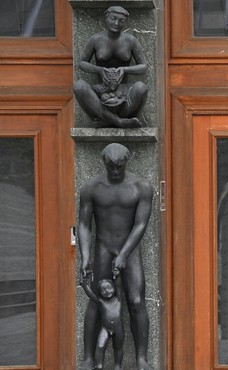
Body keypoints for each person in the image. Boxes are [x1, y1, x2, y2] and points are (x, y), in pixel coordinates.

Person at [78, 143, 153, 370]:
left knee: (137, 301)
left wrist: (124, 254)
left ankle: (141, 358)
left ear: (127, 162)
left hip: (129, 249)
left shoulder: (142, 186)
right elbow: (83, 224)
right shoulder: (91, 188)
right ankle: (89, 358)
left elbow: (141, 224)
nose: (116, 170)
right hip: (102, 247)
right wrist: (84, 257)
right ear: (104, 162)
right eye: (111, 166)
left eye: (120, 166)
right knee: (95, 304)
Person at [73, 6, 148, 128]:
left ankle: (110, 119)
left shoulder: (131, 40)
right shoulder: (96, 39)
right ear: (106, 17)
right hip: (101, 93)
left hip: (123, 94)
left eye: (121, 21)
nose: (116, 23)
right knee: (79, 86)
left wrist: (124, 69)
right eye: (113, 18)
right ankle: (118, 121)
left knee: (141, 87)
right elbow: (82, 63)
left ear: (126, 22)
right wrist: (99, 69)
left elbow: (143, 66)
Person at [80, 275, 124, 370]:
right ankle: (99, 365)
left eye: (109, 288)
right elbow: (92, 296)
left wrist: (117, 276)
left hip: (118, 328)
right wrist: (85, 286)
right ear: (100, 293)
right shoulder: (101, 302)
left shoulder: (118, 299)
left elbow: (119, 286)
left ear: (114, 288)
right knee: (100, 346)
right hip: (105, 328)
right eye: (103, 290)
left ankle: (118, 366)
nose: (107, 291)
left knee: (118, 348)